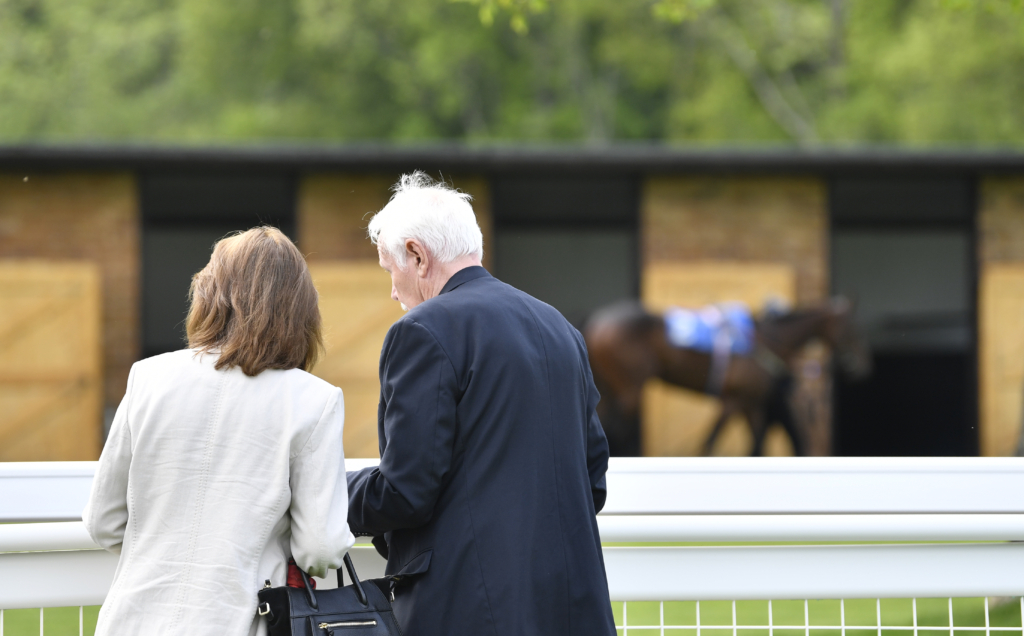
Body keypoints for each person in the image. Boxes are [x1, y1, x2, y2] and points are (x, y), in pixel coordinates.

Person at [347, 173, 616, 636]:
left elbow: (405, 491)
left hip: (467, 610)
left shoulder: (422, 331)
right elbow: (592, 480)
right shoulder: (560, 329)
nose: (393, 291)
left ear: (416, 254)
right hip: (573, 608)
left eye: (390, 271)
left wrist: (324, 487)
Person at [83, 227, 354, 636]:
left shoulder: (149, 377)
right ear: (301, 311)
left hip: (133, 621)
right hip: (244, 620)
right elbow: (321, 548)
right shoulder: (314, 400)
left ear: (210, 296)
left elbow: (103, 521)